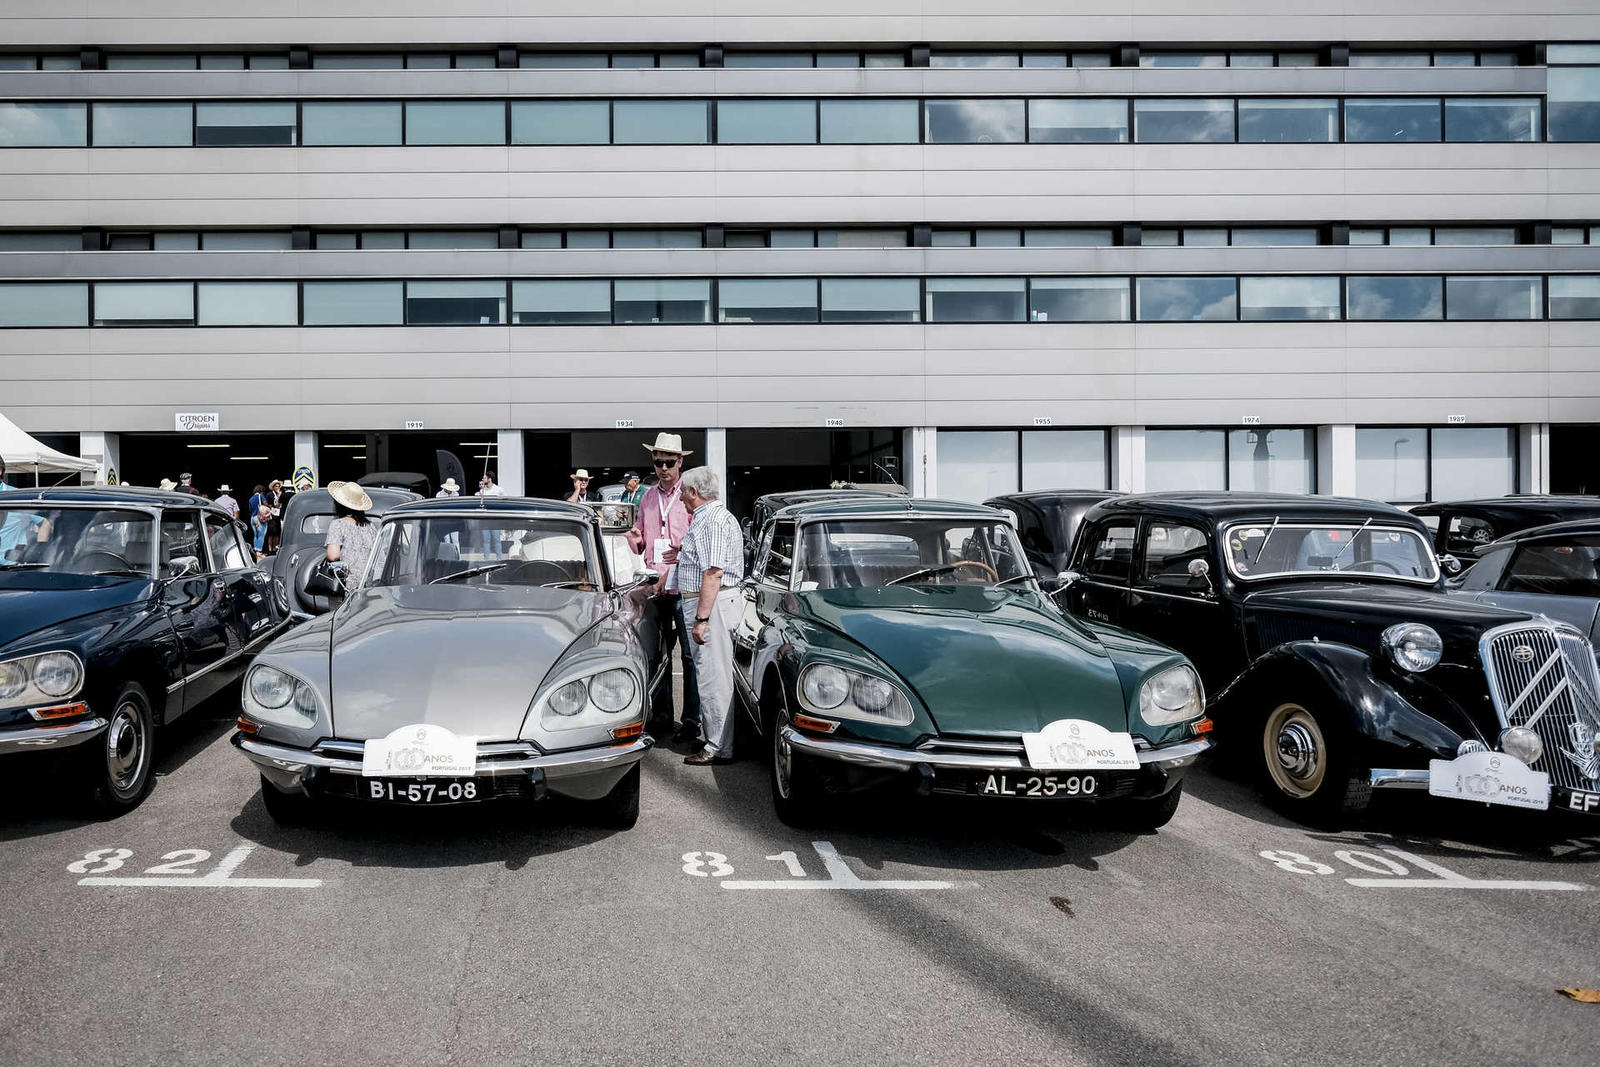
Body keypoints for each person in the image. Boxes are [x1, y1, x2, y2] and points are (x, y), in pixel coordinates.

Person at [626, 432, 699, 742]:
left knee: (690, 657)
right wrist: (635, 539)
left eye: (669, 462)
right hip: (655, 588)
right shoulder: (647, 497)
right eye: (658, 463)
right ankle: (662, 718)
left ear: (680, 462)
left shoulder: (691, 495)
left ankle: (692, 720)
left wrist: (679, 553)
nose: (663, 468)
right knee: (656, 656)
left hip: (683, 586)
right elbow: (640, 540)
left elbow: (699, 540)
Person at [674, 466, 745, 765]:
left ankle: (718, 746)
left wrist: (701, 619)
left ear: (693, 492)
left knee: (713, 676)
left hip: (711, 605)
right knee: (715, 674)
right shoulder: (712, 517)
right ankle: (720, 741)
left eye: (683, 492)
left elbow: (713, 572)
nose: (680, 497)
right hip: (711, 603)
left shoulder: (710, 520)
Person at [324, 481, 376, 591]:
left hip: (346, 585)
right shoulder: (371, 526)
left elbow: (333, 556)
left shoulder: (338, 524)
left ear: (338, 504)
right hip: (370, 583)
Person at [476, 470, 506, 559]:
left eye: (484, 478)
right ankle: (486, 559)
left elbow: (505, 500)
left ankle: (499, 558)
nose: (482, 479)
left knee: (496, 539)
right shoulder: (482, 491)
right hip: (485, 519)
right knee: (486, 540)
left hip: (495, 518)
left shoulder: (499, 489)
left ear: (489, 479)